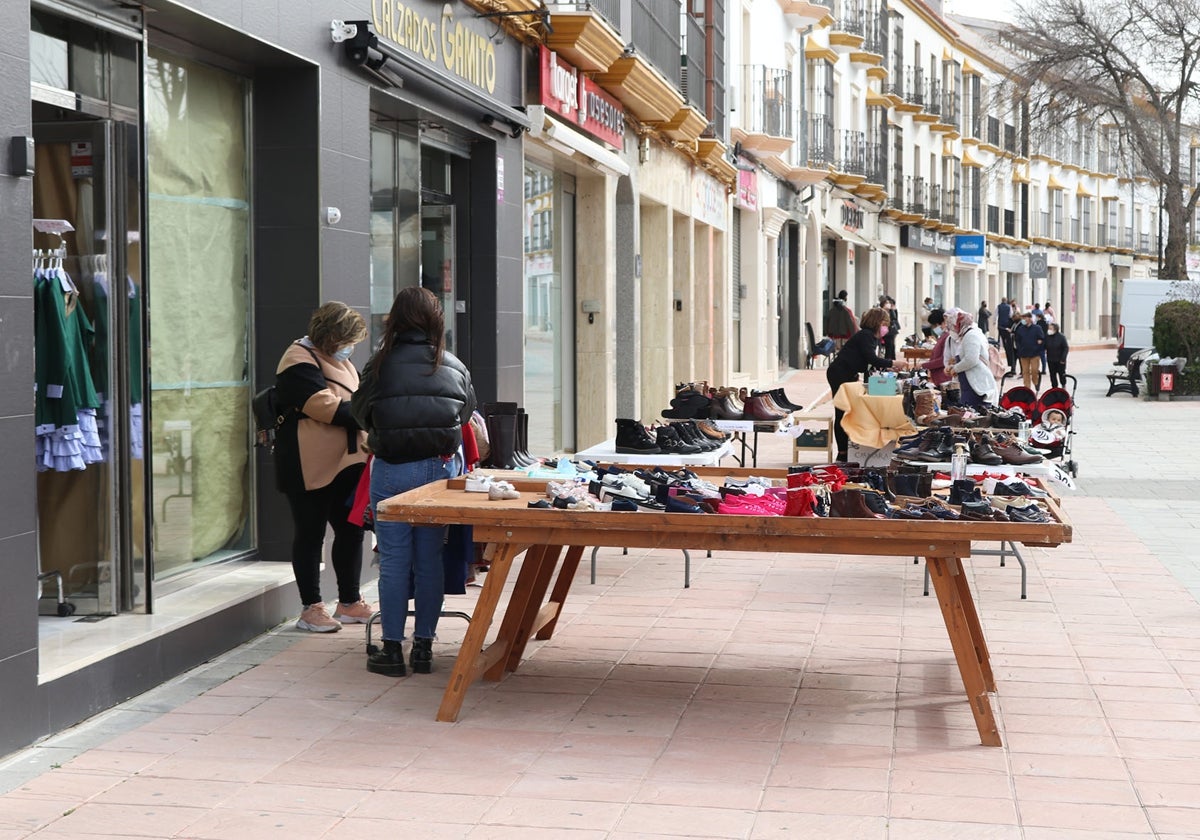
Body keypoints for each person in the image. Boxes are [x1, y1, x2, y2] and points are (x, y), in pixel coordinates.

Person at [351, 287, 476, 678]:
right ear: (436, 321)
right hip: (437, 474)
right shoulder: (453, 366)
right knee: (429, 561)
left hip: (391, 469)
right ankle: (423, 648)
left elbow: (359, 412)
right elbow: (465, 411)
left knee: (392, 563)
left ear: (395, 321)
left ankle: (391, 650)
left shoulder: (378, 366)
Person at [273, 301, 373, 633]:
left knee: (351, 531)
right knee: (310, 534)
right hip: (307, 464)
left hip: (348, 460)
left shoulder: (339, 361)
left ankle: (349, 602)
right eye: (348, 340)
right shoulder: (296, 360)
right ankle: (311, 608)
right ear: (332, 337)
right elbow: (322, 406)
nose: (351, 348)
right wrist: (366, 414)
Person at [826, 306, 904, 462]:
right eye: (885, 324)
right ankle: (842, 453)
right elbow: (872, 359)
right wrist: (894, 363)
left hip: (848, 373)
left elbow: (870, 364)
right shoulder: (865, 336)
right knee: (843, 412)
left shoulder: (870, 338)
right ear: (878, 323)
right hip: (840, 373)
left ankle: (847, 449)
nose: (886, 328)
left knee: (849, 411)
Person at [942, 309, 999, 408]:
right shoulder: (966, 336)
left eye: (952, 326)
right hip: (970, 385)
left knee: (975, 415)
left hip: (977, 387)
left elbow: (971, 360)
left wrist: (954, 369)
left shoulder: (971, 335)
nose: (951, 329)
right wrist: (952, 367)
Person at [1011, 309, 1046, 390]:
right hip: (1023, 353)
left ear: (1030, 318)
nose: (1023, 320)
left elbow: (1042, 339)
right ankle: (1027, 389)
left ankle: (1036, 382)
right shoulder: (1021, 329)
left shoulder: (1037, 328)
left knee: (1034, 370)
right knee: (1025, 372)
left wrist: (1038, 347)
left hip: (1034, 354)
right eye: (1023, 318)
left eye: (1025, 318)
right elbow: (1017, 340)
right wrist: (1019, 349)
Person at [920, 309, 952, 386]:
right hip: (938, 377)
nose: (934, 328)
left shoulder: (947, 337)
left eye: (935, 325)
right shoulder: (942, 336)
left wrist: (924, 365)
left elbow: (943, 360)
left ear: (943, 323)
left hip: (944, 378)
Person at [1045, 322, 1070, 389]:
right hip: (1050, 359)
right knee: (1052, 374)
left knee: (1061, 374)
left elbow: (1066, 348)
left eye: (1051, 328)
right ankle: (1054, 387)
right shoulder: (1047, 337)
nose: (1049, 330)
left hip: (1060, 359)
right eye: (1049, 328)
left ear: (1055, 329)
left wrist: (1063, 358)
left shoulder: (1061, 337)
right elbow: (1044, 346)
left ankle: (1063, 385)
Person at [996, 297, 1015, 373]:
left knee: (1002, 338)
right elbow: (1011, 315)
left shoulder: (999, 306)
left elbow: (996, 314)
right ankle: (1006, 345)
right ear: (1006, 301)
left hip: (1000, 325)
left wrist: (994, 322)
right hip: (1006, 325)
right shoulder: (1009, 307)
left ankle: (1003, 344)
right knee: (1008, 339)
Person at [879, 294, 900, 361]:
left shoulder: (890, 311)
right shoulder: (880, 311)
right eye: (887, 303)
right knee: (889, 347)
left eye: (889, 303)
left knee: (892, 347)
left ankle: (892, 360)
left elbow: (894, 318)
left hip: (891, 331)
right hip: (885, 332)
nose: (889, 304)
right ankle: (888, 362)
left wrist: (893, 310)